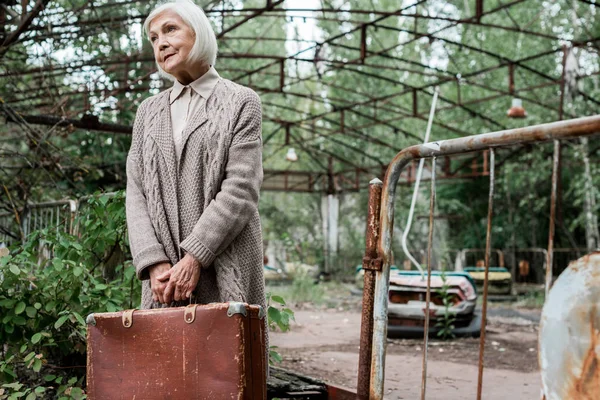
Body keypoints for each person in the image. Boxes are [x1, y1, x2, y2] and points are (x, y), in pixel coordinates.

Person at [125, 0, 265, 315]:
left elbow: (241, 188)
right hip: (163, 278)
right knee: (166, 359)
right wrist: (153, 262)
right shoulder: (148, 111)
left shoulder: (241, 101)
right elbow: (136, 192)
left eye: (170, 29)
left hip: (224, 265)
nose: (161, 43)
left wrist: (195, 257)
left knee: (231, 358)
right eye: (153, 38)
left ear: (198, 32)